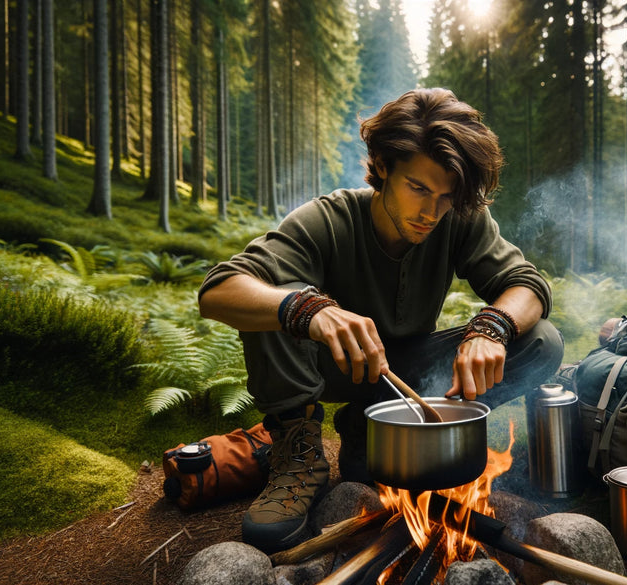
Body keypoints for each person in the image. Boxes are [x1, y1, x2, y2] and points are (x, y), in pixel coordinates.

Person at [198, 88, 564, 553]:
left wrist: (491, 327)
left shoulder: (458, 218)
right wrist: (310, 310)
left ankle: (367, 435)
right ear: (384, 168)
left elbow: (526, 283)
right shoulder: (327, 220)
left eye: (447, 196)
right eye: (419, 189)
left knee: (541, 340)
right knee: (277, 300)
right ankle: (297, 457)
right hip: (325, 367)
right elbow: (218, 290)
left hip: (402, 375)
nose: (432, 212)